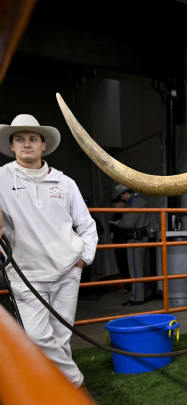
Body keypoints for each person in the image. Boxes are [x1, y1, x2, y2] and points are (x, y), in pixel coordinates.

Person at [0, 114, 98, 389]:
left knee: (61, 336)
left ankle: (57, 390)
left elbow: (87, 225)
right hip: (26, 276)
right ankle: (75, 384)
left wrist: (83, 259)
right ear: (11, 146)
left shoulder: (65, 183)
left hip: (68, 270)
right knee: (37, 337)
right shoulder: (1, 179)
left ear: (44, 145)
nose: (27, 144)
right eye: (20, 139)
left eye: (33, 138)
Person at [109, 184, 152, 306]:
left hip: (135, 239)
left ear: (125, 193)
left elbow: (128, 223)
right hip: (142, 237)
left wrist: (118, 222)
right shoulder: (141, 201)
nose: (122, 198)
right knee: (142, 269)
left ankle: (137, 298)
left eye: (122, 195)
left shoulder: (134, 203)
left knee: (135, 270)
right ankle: (144, 294)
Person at [109, 196, 131, 292]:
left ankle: (130, 287)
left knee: (127, 265)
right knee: (122, 265)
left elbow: (127, 226)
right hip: (118, 243)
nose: (114, 205)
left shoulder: (126, 214)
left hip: (125, 243)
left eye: (116, 203)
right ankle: (127, 286)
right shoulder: (116, 214)